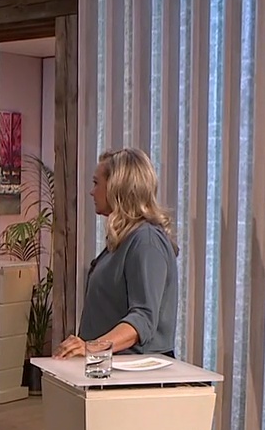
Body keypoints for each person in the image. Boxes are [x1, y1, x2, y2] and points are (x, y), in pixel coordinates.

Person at [56, 148, 179, 359]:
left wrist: (93, 347)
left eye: (96, 183)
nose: (91, 192)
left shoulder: (146, 241)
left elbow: (143, 318)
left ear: (116, 187)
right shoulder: (124, 240)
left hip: (137, 371)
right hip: (109, 366)